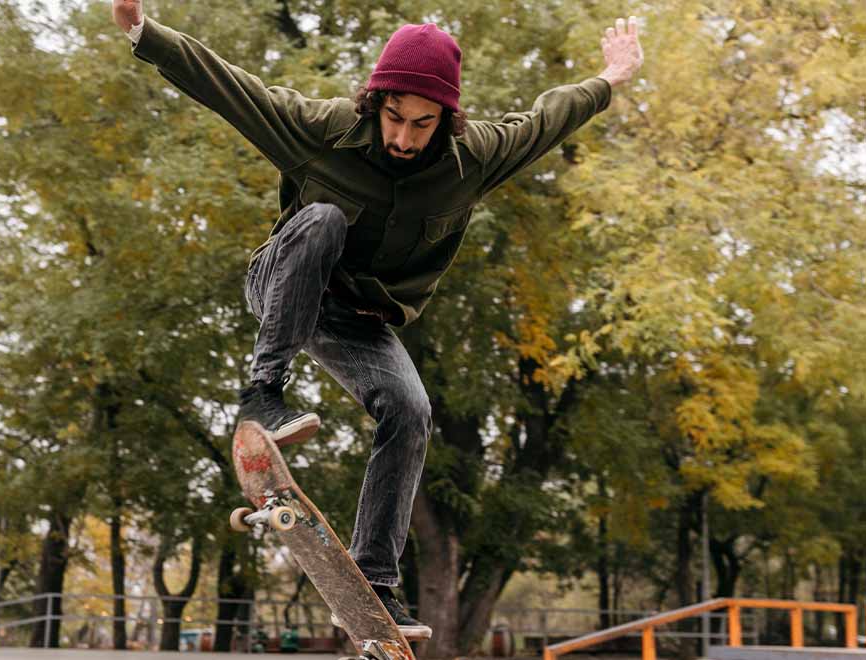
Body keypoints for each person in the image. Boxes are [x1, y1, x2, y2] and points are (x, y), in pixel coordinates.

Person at [112, 0, 644, 636]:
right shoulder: (323, 130)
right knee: (323, 219)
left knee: (411, 410)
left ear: (445, 119)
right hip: (284, 282)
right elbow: (231, 88)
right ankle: (262, 396)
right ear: (376, 103)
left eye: (422, 124)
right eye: (394, 118)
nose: (404, 139)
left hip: (357, 319)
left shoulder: (471, 160)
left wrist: (609, 78)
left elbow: (544, 121)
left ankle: (374, 583)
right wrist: (143, 31)